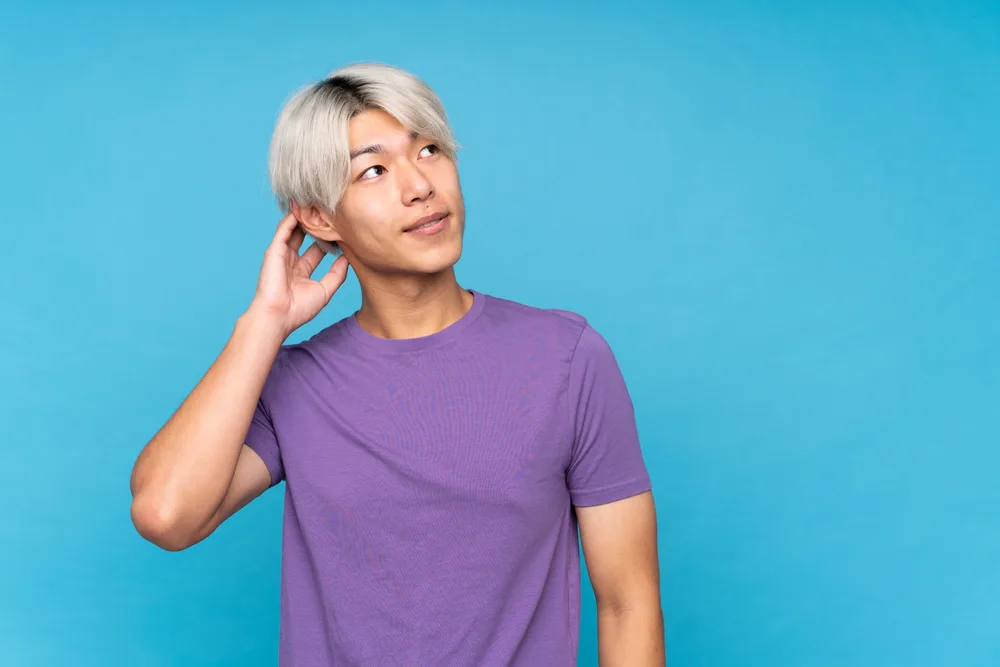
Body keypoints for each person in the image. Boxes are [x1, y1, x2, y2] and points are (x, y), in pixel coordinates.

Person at [129, 62, 664, 666]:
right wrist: (262, 326)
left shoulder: (566, 358)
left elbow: (627, 602)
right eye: (374, 170)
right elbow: (165, 514)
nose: (420, 185)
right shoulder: (297, 384)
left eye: (430, 150)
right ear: (320, 218)